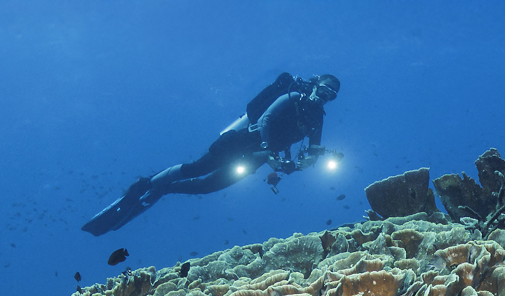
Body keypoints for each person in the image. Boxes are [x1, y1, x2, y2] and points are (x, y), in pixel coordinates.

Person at [83, 73, 340, 235]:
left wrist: (305, 162)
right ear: (316, 85)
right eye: (324, 90)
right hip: (239, 142)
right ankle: (145, 185)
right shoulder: (294, 96)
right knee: (197, 169)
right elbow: (267, 119)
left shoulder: (317, 119)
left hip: (257, 159)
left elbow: (314, 151)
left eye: (331, 96)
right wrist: (267, 150)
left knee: (209, 186)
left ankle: (165, 190)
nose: (324, 98)